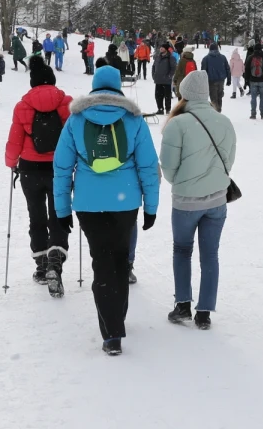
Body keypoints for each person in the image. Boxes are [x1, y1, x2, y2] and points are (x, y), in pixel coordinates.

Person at [53, 65, 160, 356]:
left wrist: (62, 210)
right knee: (120, 259)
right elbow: (149, 167)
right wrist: (151, 207)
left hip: (88, 204)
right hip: (125, 203)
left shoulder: (75, 120)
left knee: (101, 261)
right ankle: (117, 318)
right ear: (118, 88)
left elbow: (62, 168)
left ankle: (111, 332)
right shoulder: (134, 120)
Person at [160, 70, 235, 330]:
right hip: (216, 201)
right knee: (210, 254)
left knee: (182, 250)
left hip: (186, 202)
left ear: (184, 93)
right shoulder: (224, 121)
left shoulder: (177, 124)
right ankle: (204, 312)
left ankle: (183, 305)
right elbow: (229, 161)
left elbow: (168, 167)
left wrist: (182, 182)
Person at [6, 57, 72, 294]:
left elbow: (15, 140)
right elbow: (73, 137)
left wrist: (11, 163)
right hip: (59, 169)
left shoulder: (23, 106)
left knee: (36, 216)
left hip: (30, 169)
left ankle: (42, 265)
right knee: (59, 215)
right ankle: (56, 260)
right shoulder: (66, 103)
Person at [200, 43, 230, 111]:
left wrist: (203, 83)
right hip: (221, 80)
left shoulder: (206, 58)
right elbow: (227, 69)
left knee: (213, 98)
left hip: (211, 81)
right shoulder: (223, 57)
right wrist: (229, 79)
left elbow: (203, 72)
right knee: (220, 97)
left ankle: (215, 113)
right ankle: (219, 111)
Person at [244, 45, 263, 119]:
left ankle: (253, 114)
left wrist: (246, 81)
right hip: (262, 81)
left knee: (253, 98)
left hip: (253, 81)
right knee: (262, 98)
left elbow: (246, 70)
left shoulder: (250, 57)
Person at [152, 42, 176, 114]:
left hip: (166, 80)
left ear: (166, 49)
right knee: (158, 96)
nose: (161, 49)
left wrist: (169, 76)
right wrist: (154, 75)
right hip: (158, 80)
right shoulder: (157, 57)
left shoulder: (171, 57)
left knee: (167, 96)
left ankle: (168, 109)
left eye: (162, 48)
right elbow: (153, 66)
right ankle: (160, 109)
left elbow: (173, 68)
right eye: (160, 47)